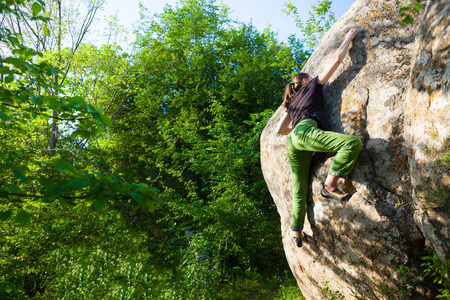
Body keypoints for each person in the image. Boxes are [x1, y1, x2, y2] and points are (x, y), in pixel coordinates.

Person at [275, 28, 362, 248]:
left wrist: (295, 132)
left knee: (299, 189)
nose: (314, 78)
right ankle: (330, 186)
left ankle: (297, 233)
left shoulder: (291, 103)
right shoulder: (312, 86)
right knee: (351, 143)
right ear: (305, 81)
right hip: (305, 132)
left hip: (293, 141)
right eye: (311, 77)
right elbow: (336, 59)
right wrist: (348, 38)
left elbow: (279, 130)